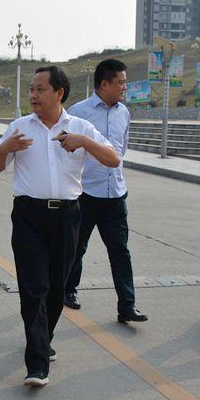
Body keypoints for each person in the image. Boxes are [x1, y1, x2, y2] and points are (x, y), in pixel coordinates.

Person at [0, 66, 120, 388]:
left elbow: (113, 159)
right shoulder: (19, 127)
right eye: (31, 89)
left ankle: (43, 338)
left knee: (57, 287)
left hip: (67, 215)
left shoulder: (81, 127)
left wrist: (83, 142)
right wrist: (5, 149)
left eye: (40, 89)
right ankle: (37, 363)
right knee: (33, 287)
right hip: (28, 215)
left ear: (59, 93)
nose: (33, 95)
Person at [64, 59, 147, 323]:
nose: (125, 87)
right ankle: (68, 289)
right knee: (77, 247)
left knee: (120, 251)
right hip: (86, 193)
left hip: (116, 194)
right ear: (104, 84)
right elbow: (66, 150)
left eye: (125, 82)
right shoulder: (78, 112)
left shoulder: (124, 113)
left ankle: (127, 305)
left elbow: (121, 150)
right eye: (121, 82)